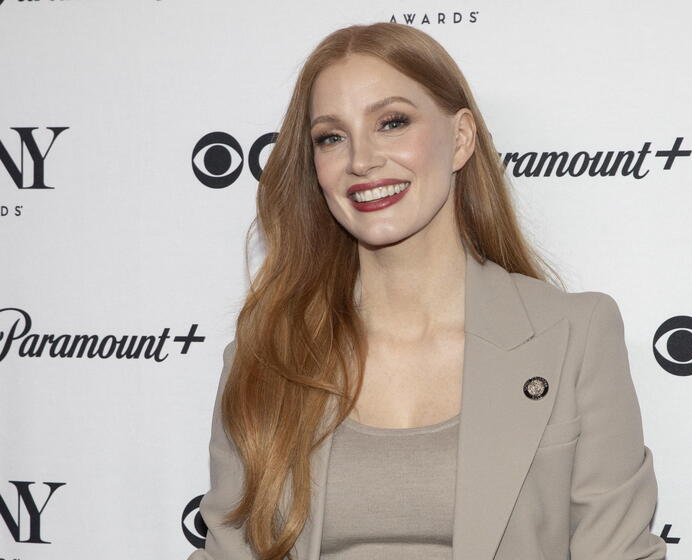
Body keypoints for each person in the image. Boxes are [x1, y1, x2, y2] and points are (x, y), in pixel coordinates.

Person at [188, 21, 666, 560]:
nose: (361, 160)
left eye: (391, 123)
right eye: (331, 137)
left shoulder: (574, 337)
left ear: (460, 138)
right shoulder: (268, 352)